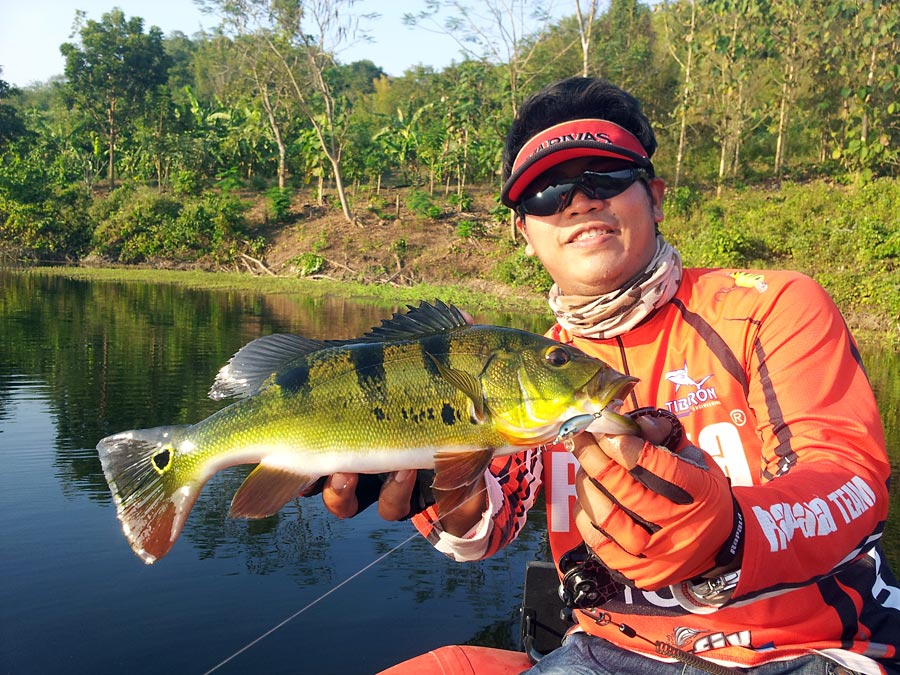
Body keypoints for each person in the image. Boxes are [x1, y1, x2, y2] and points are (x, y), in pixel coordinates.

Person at [320, 77, 899, 674]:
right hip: (607, 652)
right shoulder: (527, 368)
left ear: (655, 195)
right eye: (546, 194)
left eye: (605, 175)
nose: (578, 201)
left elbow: (851, 485)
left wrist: (729, 534)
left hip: (808, 648)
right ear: (524, 231)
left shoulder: (770, 306)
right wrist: (436, 483)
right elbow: (488, 524)